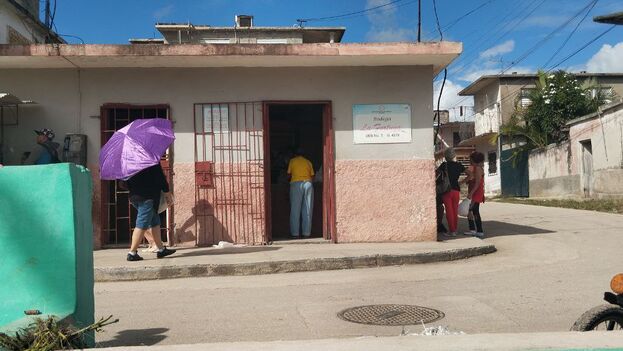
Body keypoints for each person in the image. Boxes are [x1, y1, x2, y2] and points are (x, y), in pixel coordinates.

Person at [126, 163, 176, 261]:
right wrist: (166, 192)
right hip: (148, 196)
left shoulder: (129, 161)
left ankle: (161, 249)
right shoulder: (151, 160)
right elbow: (159, 176)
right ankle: (132, 252)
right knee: (142, 224)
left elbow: (125, 180)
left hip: (135, 196)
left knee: (155, 222)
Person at [436, 148, 465, 237]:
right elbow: (470, 174)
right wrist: (462, 182)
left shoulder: (444, 165)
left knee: (449, 211)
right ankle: (454, 230)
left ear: (445, 156)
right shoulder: (459, 165)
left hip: (446, 190)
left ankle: (452, 231)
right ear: (454, 155)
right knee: (454, 210)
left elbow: (436, 174)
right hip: (456, 190)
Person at [287, 148, 315, 238]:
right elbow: (312, 175)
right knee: (308, 209)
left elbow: (288, 174)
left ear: (295, 154)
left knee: (295, 209)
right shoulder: (308, 162)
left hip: (296, 184)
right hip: (308, 184)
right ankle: (306, 233)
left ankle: (295, 234)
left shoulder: (292, 161)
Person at [464, 151, 486, 238]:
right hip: (475, 191)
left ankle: (479, 231)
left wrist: (471, 194)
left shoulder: (477, 169)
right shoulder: (475, 168)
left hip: (476, 192)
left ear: (473, 159)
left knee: (474, 211)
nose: (470, 161)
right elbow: (472, 179)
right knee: (470, 211)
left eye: (470, 159)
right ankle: (472, 230)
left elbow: (477, 183)